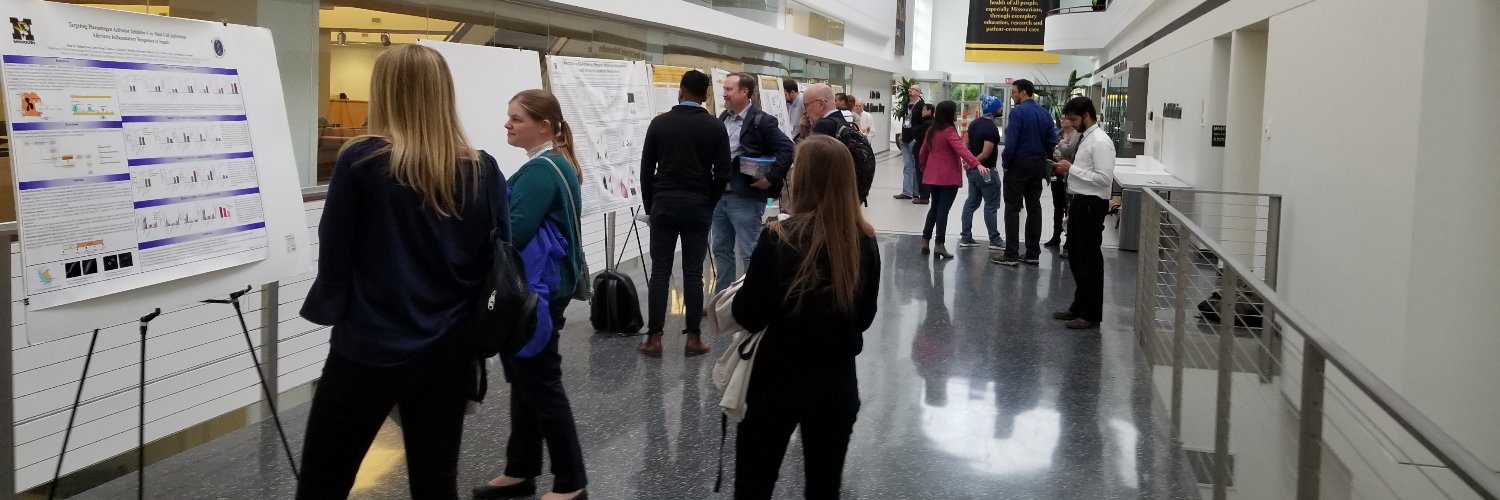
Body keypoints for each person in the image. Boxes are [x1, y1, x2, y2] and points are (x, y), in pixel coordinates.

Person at [297, 44, 495, 500]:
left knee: (324, 481)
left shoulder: (362, 161)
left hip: (367, 347)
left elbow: (336, 254)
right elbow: (491, 260)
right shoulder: (481, 169)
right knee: (435, 482)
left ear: (384, 92)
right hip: (448, 351)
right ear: (444, 94)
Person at [731, 135, 881, 499]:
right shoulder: (863, 241)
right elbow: (863, 317)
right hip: (835, 384)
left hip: (774, 383)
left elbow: (748, 314)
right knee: (824, 486)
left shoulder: (778, 237)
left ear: (804, 178)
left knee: (754, 483)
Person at [473, 89, 589, 500]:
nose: (508, 124)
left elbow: (513, 233)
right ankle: (520, 470)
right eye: (509, 117)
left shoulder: (542, 171)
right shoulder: (554, 163)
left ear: (544, 126)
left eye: (517, 118)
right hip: (543, 289)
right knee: (526, 380)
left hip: (536, 293)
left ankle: (571, 480)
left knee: (540, 382)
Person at [636, 70, 733, 357]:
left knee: (660, 272)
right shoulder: (715, 127)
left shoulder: (659, 123)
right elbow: (723, 173)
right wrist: (709, 201)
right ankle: (693, 339)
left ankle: (654, 339)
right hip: (698, 206)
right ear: (705, 96)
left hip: (664, 204)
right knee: (693, 273)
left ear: (680, 92)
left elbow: (646, 171)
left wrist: (651, 205)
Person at [713, 72, 795, 293]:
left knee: (749, 252)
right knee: (721, 250)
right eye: (725, 89)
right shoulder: (723, 118)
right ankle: (723, 298)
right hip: (720, 196)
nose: (724, 93)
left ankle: (751, 297)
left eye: (729, 89)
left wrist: (771, 177)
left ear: (744, 92)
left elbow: (787, 149)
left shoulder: (762, 121)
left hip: (746, 197)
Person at [1052, 96, 1116, 330]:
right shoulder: (1085, 138)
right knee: (1077, 258)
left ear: (1086, 116)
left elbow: (1104, 178)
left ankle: (1091, 314)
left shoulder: (1099, 141)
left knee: (1089, 259)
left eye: (1075, 119)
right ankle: (1079, 306)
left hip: (1091, 204)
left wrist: (1072, 169)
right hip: (1080, 202)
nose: (1072, 123)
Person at [994, 79, 1058, 267]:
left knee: (1013, 208)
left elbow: (1011, 141)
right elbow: (1051, 140)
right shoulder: (1045, 113)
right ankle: (1032, 253)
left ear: (1023, 92)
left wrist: (1006, 162)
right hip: (1037, 165)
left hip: (1018, 165)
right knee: (1034, 207)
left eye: (1014, 92)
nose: (1012, 96)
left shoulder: (1018, 112)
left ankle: (1011, 254)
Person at [917, 101, 983, 259]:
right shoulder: (949, 131)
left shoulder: (931, 130)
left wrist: (924, 167)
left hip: (933, 176)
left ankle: (925, 240)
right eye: (954, 111)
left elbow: (922, 152)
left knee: (934, 208)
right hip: (948, 178)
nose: (956, 114)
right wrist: (977, 163)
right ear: (949, 114)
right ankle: (939, 244)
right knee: (943, 210)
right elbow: (961, 149)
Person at [958, 95, 1004, 251]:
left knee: (971, 202)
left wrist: (967, 161)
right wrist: (974, 164)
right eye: (1000, 107)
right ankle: (995, 240)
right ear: (994, 110)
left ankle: (966, 237)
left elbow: (965, 143)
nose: (1002, 109)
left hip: (973, 173)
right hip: (986, 171)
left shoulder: (974, 123)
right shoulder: (991, 129)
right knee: (991, 206)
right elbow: (985, 153)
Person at [1047, 111, 1083, 257]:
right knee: (1057, 207)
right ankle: (1056, 236)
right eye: (1061, 118)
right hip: (1057, 174)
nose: (1062, 120)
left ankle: (1069, 242)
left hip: (1070, 176)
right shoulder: (1057, 135)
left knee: (1070, 209)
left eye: (1065, 118)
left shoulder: (1076, 137)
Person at [895, 85, 928, 200]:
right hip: (904, 138)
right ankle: (906, 192)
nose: (910, 91)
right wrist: (902, 134)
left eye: (913, 89)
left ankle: (915, 191)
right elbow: (905, 121)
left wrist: (918, 137)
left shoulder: (921, 106)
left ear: (918, 92)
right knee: (907, 165)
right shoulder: (906, 104)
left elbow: (923, 123)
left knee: (915, 166)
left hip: (914, 139)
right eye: (910, 89)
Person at [909, 103, 936, 205]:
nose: (922, 112)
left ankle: (924, 196)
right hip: (929, 151)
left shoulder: (927, 124)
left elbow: (915, 132)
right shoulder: (933, 122)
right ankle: (925, 195)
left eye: (924, 110)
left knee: (921, 173)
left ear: (929, 111)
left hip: (922, 151)